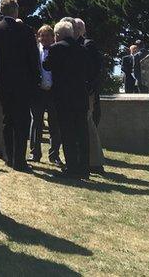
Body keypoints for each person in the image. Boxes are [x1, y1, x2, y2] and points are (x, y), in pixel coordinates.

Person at [0, 0, 41, 171]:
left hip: (3, 82)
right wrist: (36, 80)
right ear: (16, 10)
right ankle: (19, 159)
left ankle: (8, 156)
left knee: (6, 119)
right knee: (22, 121)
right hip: (23, 83)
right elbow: (33, 59)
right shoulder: (26, 31)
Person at [44, 21, 90, 179]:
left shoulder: (56, 48)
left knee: (67, 132)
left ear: (57, 35)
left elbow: (47, 65)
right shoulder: (83, 49)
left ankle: (72, 167)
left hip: (63, 97)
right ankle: (84, 167)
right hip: (80, 96)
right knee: (82, 132)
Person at [74, 18, 105, 173]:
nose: (76, 29)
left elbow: (96, 69)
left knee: (88, 124)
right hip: (80, 91)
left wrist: (91, 87)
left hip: (87, 92)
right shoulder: (77, 45)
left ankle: (95, 161)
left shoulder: (87, 44)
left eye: (78, 27)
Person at [31, 25, 62, 165]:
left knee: (55, 124)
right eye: (42, 36)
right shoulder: (34, 51)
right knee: (36, 122)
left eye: (48, 36)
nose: (44, 38)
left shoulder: (57, 51)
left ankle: (54, 155)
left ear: (53, 37)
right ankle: (35, 153)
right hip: (38, 92)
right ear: (38, 38)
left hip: (54, 92)